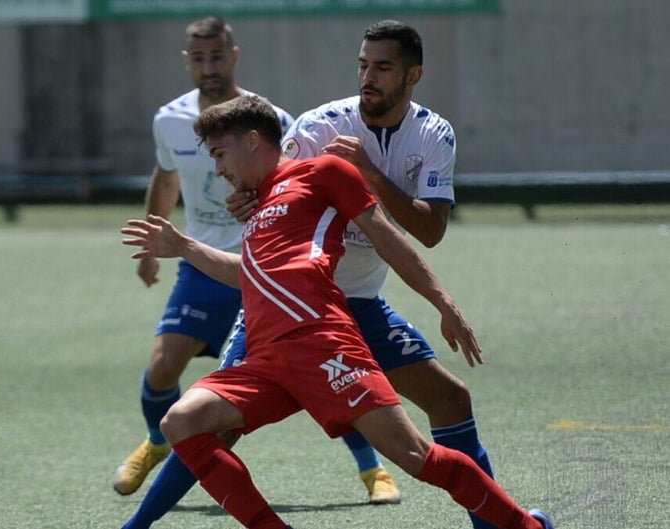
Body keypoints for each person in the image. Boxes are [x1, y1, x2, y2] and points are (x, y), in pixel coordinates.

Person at [121, 94, 554, 529]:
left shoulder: (322, 172)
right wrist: (183, 247)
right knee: (182, 420)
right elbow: (251, 275)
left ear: (252, 140)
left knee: (414, 456)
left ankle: (525, 526)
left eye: (220, 154)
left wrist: (442, 301)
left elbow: (386, 237)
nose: (218, 170)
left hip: (321, 342)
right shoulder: (254, 208)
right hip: (267, 358)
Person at [225, 19, 503, 529]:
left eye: (382, 67)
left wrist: (368, 175)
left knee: (450, 399)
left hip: (361, 304)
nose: (367, 76)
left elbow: (430, 230)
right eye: (362, 65)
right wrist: (246, 197)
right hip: (296, 307)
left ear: (413, 75)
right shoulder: (318, 127)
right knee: (207, 426)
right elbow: (271, 196)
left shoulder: (433, 133)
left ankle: (491, 524)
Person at [111, 15, 294, 496]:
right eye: (199, 57)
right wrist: (150, 251)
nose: (208, 66)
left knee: (309, 368)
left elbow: (292, 184)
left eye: (217, 56)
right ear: (187, 61)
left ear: (234, 56)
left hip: (262, 267)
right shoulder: (169, 119)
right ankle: (156, 444)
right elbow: (166, 177)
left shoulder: (270, 117)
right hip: (201, 263)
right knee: (162, 367)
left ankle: (369, 466)